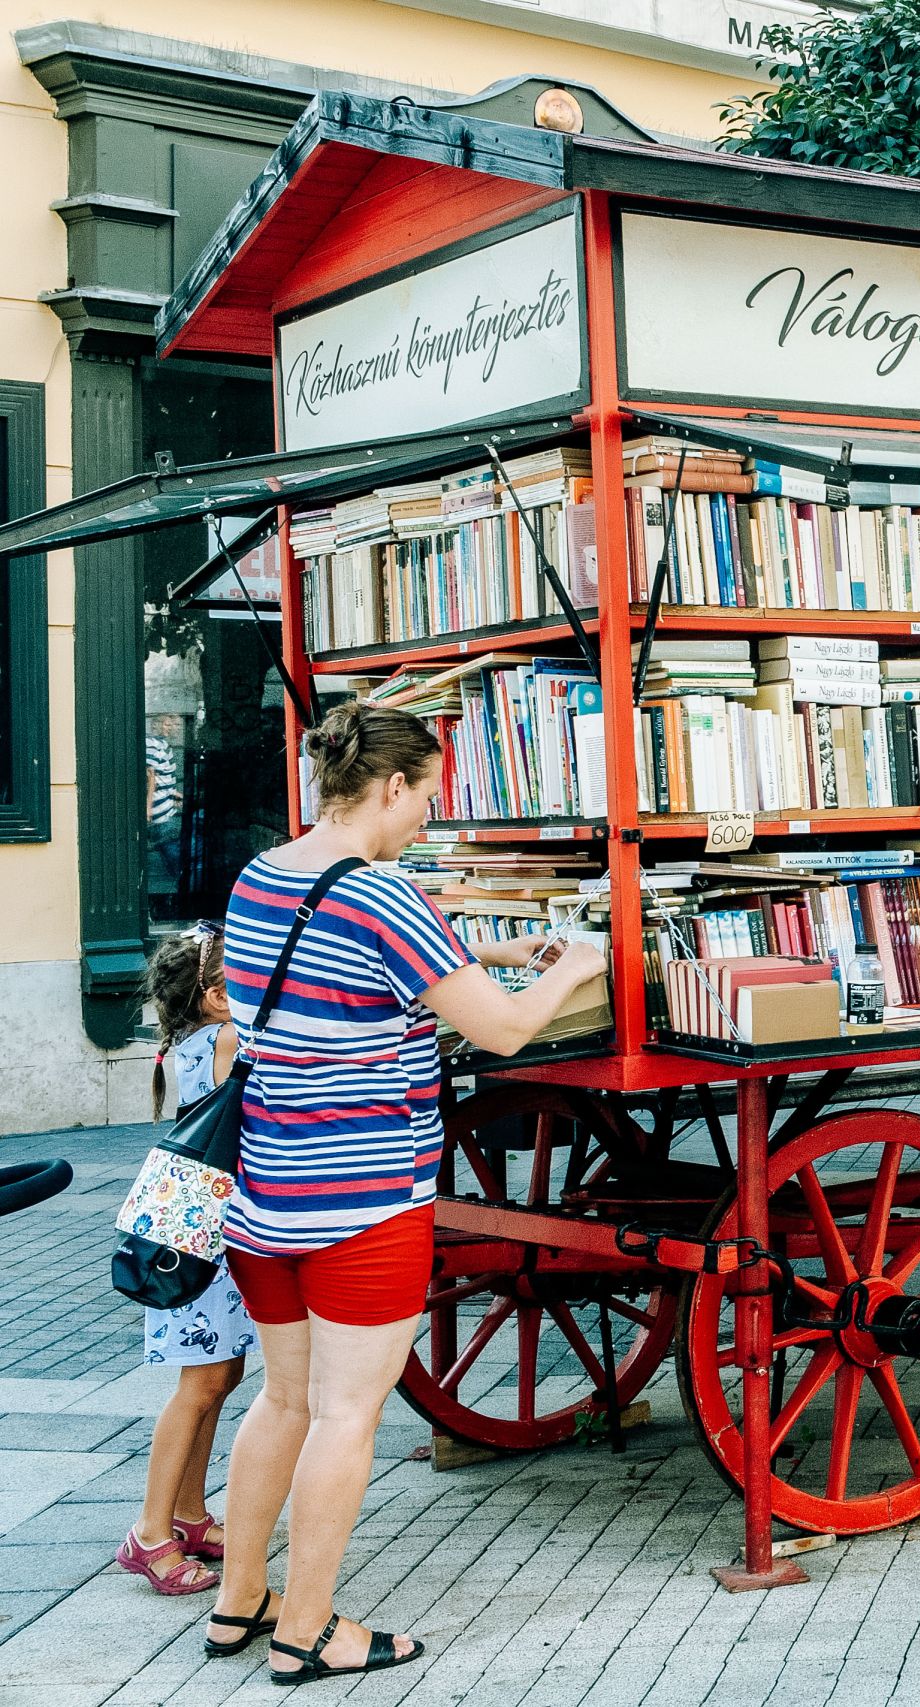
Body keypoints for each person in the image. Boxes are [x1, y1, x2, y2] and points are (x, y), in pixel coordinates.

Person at [201, 701, 605, 1683]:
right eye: (427, 794)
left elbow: (335, 979)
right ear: (389, 787)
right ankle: (309, 1631)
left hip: (265, 1199)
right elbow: (504, 1031)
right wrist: (572, 967)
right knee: (349, 1414)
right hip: (362, 1204)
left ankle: (238, 1603)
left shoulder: (263, 873)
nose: (429, 814)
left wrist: (475, 954)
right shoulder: (387, 897)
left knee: (284, 1400)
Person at [114, 925, 254, 1601]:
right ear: (212, 995)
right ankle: (149, 1532)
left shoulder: (190, 1042)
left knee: (221, 1373)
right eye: (236, 979)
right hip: (205, 1233)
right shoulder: (228, 1039)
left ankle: (192, 1514)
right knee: (198, 1384)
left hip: (203, 1225)